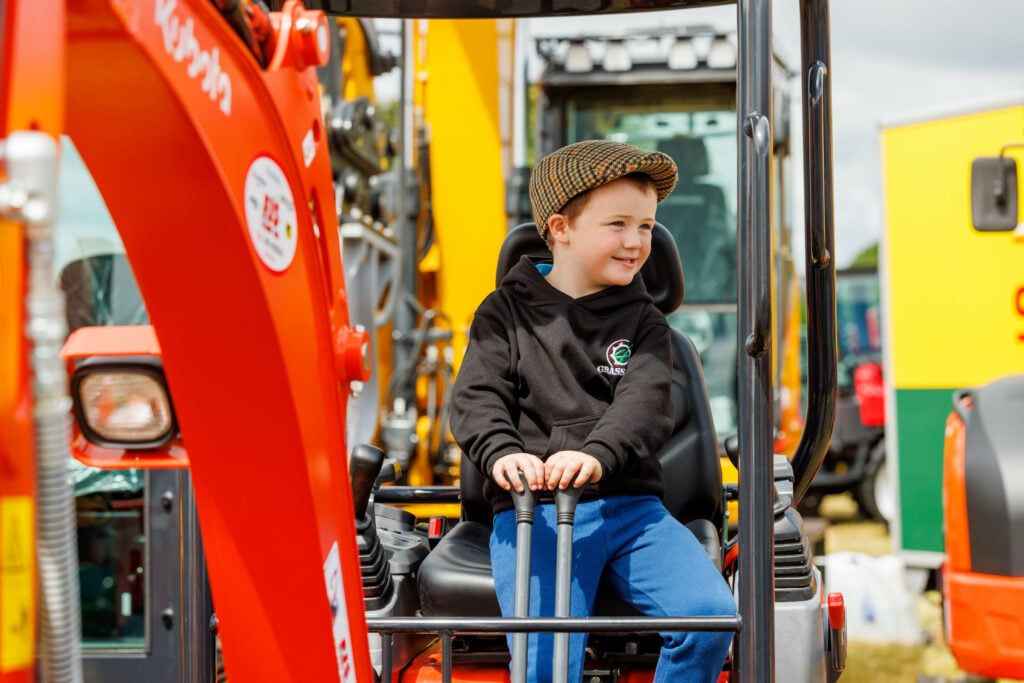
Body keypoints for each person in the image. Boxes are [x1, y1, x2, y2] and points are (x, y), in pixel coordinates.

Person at [449, 139, 736, 683]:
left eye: (647, 227)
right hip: (533, 514)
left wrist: (596, 455)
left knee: (711, 617)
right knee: (544, 661)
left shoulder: (647, 323)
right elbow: (476, 397)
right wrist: (503, 453)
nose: (636, 242)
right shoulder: (503, 316)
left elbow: (646, 404)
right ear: (560, 228)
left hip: (633, 514)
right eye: (619, 225)